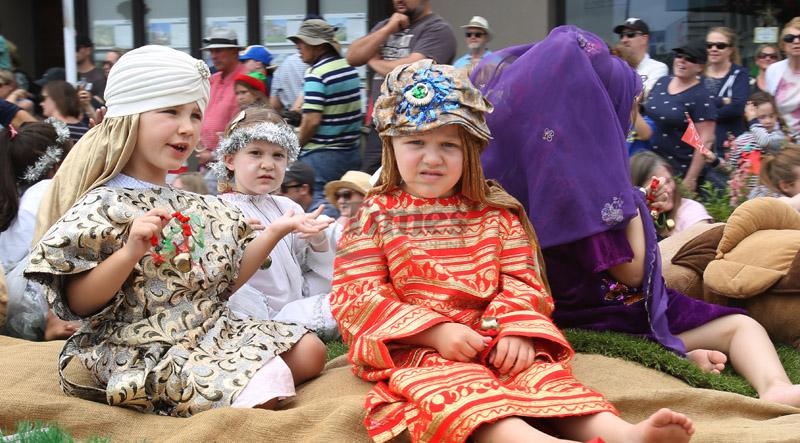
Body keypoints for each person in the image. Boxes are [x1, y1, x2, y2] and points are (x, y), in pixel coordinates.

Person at [332, 59, 694, 443]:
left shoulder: (496, 213)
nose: (433, 158)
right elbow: (357, 295)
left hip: (496, 336)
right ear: (391, 146)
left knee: (546, 379)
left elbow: (522, 280)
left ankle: (623, 434)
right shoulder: (373, 216)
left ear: (471, 150)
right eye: (416, 142)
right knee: (462, 393)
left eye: (449, 145)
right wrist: (435, 333)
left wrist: (515, 331)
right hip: (421, 348)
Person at [477, 25, 800, 409]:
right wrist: (633, 206)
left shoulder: (529, 167)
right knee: (741, 326)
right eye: (631, 104)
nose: (633, 115)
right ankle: (774, 386)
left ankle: (686, 350)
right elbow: (629, 272)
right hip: (606, 312)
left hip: (553, 307)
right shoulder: (589, 182)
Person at [24, 45, 328, 416]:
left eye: (195, 114)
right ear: (130, 118)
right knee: (262, 381)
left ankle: (237, 386)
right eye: (170, 111)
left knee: (310, 351)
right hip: (140, 345)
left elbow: (227, 283)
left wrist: (276, 230)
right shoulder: (103, 203)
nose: (187, 127)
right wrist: (130, 252)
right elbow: (79, 304)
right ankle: (236, 393)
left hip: (212, 331)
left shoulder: (197, 203)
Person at [213, 107, 337, 338]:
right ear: (230, 160)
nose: (268, 165)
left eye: (278, 155)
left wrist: (317, 240)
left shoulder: (288, 206)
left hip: (295, 300)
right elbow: (221, 279)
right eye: (256, 153)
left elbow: (305, 263)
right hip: (252, 310)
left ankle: (300, 320)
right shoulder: (219, 211)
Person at [346, 0, 457, 174]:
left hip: (413, 128)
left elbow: (411, 71)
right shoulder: (387, 25)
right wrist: (387, 29)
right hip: (380, 126)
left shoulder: (437, 29)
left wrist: (374, 61)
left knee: (404, 182)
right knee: (370, 182)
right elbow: (352, 56)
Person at [0, 120, 80, 341]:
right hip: (29, 302)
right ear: (57, 164)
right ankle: (54, 321)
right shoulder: (46, 190)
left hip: (11, 298)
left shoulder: (20, 193)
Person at [289, 19, 362, 218]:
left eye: (302, 42)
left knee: (322, 207)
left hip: (321, 155)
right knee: (346, 206)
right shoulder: (348, 68)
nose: (298, 47)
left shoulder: (316, 73)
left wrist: (295, 146)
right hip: (350, 151)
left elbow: (312, 121)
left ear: (319, 45)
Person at [643, 42, 717, 192]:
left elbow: (705, 141)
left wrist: (691, 179)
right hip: (648, 163)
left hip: (678, 169)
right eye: (679, 56)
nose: (682, 61)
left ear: (700, 67)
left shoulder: (701, 96)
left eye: (689, 59)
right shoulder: (662, 82)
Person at [630, 151, 711, 237]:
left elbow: (703, 239)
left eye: (668, 181)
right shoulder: (632, 221)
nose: (668, 190)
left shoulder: (691, 211)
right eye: (658, 186)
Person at [726, 91, 787, 204]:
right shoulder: (741, 141)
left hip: (773, 199)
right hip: (745, 200)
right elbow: (731, 169)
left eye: (771, 116)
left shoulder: (778, 137)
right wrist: (715, 162)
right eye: (762, 117)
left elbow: (764, 141)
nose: (768, 121)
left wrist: (753, 122)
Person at [703, 26, 749, 157]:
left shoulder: (740, 74)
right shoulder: (698, 73)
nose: (713, 49)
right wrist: (723, 100)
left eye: (720, 46)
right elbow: (690, 104)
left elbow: (737, 107)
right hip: (701, 145)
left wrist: (704, 114)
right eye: (709, 45)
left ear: (730, 50)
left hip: (730, 147)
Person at [199, 27, 246, 155]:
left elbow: (249, 128)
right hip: (205, 156)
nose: (213, 56)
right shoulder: (212, 80)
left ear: (234, 52)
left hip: (232, 157)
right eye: (211, 51)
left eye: (218, 51)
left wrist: (213, 155)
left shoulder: (247, 81)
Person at [613, 17, 668, 98]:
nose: (624, 40)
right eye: (621, 36)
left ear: (644, 39)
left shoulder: (658, 68)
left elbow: (646, 98)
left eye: (630, 34)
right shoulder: (617, 66)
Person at [766, 17, 800, 141]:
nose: (796, 41)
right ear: (783, 45)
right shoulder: (773, 70)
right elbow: (770, 107)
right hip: (782, 139)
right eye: (789, 38)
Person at [323, 170, 370, 242]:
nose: (340, 201)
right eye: (337, 196)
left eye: (346, 195)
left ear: (365, 197)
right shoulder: (334, 230)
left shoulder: (383, 226)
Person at [269, 52, 308, 117]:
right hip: (312, 115)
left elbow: (274, 105)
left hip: (294, 118)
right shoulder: (310, 60)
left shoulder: (280, 68)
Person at [75, 35, 106, 109]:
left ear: (88, 50)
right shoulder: (67, 74)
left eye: (76, 48)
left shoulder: (99, 77)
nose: (73, 52)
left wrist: (90, 99)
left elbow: (102, 105)